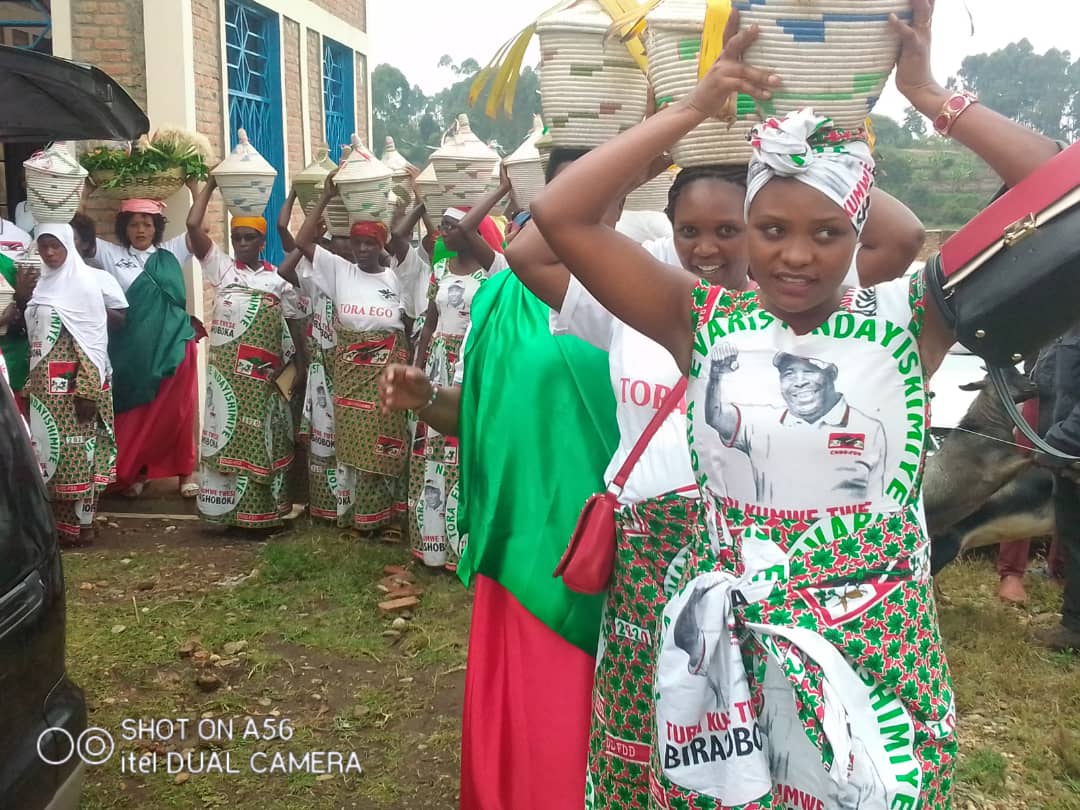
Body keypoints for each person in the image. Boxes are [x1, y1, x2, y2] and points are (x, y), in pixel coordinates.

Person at [528, 2, 1057, 805]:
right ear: (747, 230)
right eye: (772, 230)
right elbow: (559, 214)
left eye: (827, 232)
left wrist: (926, 95)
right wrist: (693, 109)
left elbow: (1057, 186)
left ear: (858, 234)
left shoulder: (911, 319)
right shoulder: (702, 320)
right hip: (731, 646)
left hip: (872, 643)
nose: (797, 256)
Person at [505, 149, 921, 810]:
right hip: (653, 549)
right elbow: (542, 236)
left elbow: (899, 240)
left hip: (751, 556)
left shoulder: (811, 316)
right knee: (664, 719)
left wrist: (805, 152)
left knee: (775, 730)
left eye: (730, 229)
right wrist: (670, 138)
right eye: (689, 231)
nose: (706, 247)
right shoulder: (665, 307)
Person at [378, 151, 620, 807]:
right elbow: (481, 412)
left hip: (619, 550)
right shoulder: (502, 295)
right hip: (523, 540)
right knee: (533, 720)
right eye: (566, 191)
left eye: (599, 188)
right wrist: (427, 398)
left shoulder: (644, 288)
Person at [187, 177, 308, 531]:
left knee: (261, 439)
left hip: (264, 380)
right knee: (228, 437)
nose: (241, 243)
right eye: (237, 237)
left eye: (249, 237)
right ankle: (224, 514)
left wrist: (299, 367)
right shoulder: (222, 269)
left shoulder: (278, 280)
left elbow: (295, 324)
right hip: (227, 379)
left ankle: (261, 515)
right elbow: (193, 226)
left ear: (262, 242)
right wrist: (210, 185)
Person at [294, 177, 410, 539]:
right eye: (357, 242)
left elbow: (408, 324)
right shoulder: (339, 271)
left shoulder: (395, 278)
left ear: (381, 245)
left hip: (387, 372)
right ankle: (361, 517)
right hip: (350, 374)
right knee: (356, 443)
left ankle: (390, 518)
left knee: (386, 440)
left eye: (369, 243)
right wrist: (326, 197)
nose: (361, 249)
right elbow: (302, 241)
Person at [408, 183, 510, 570]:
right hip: (438, 361)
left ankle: (464, 543)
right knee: (433, 449)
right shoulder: (439, 270)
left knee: (463, 445)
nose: (444, 233)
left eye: (452, 227)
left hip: (470, 362)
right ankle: (432, 541)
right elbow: (429, 324)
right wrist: (418, 367)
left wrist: (501, 188)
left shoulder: (491, 273)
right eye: (443, 226)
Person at [86, 196, 201, 498]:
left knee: (178, 413)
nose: (140, 230)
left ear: (156, 228)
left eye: (147, 224)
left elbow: (197, 227)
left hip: (174, 347)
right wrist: (84, 192)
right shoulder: (111, 255)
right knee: (139, 413)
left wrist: (195, 187)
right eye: (133, 224)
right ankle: (139, 472)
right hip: (133, 353)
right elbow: (80, 238)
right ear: (123, 228)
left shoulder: (170, 251)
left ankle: (185, 474)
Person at [24, 224, 112, 546]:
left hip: (73, 388)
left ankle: (83, 526)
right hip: (44, 391)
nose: (49, 253)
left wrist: (87, 389)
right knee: (51, 455)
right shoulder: (41, 286)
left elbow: (92, 341)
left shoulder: (83, 285)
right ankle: (60, 529)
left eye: (56, 246)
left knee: (79, 453)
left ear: (68, 247)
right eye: (44, 246)